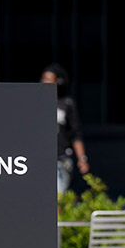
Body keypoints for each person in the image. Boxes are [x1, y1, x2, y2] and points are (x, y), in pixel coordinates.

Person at [40, 63, 89, 194]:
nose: (45, 83)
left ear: (58, 82)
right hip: (40, 158)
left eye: (49, 80)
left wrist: (82, 158)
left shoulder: (66, 103)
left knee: (58, 195)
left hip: (60, 157)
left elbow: (75, 133)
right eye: (44, 79)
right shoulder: (36, 103)